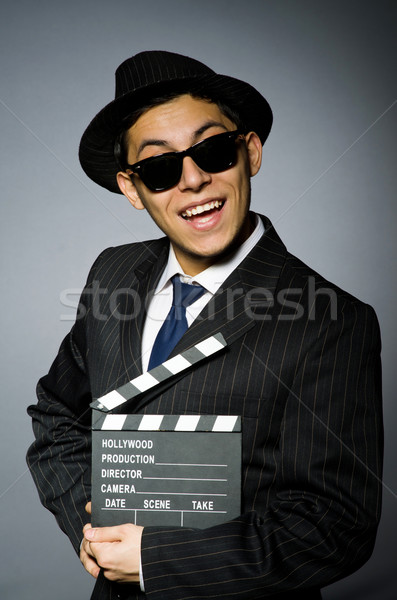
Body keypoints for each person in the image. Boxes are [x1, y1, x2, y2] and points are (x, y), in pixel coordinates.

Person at [27, 51, 383, 600]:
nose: (193, 179)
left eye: (213, 150)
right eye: (160, 167)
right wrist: (94, 526)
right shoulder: (113, 272)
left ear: (250, 151)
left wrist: (152, 558)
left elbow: (335, 525)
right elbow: (56, 413)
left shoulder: (331, 321)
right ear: (132, 187)